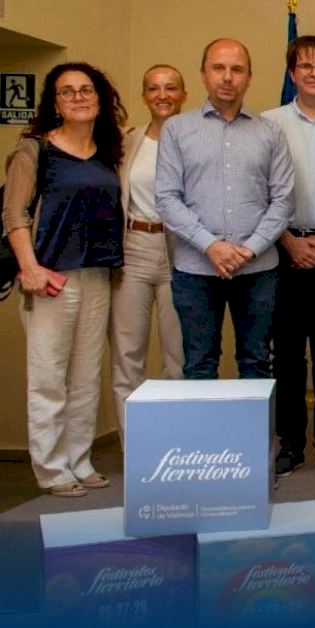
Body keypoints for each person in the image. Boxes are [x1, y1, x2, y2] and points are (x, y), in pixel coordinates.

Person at [3, 62, 126, 497]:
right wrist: (30, 268)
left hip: (98, 274)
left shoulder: (107, 152)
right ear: (54, 103)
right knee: (49, 379)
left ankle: (79, 459)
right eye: (67, 91)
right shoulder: (35, 150)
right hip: (52, 279)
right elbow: (14, 213)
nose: (78, 97)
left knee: (86, 378)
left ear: (100, 98)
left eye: (86, 89)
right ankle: (52, 469)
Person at [157, 38, 294, 380]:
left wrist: (248, 249)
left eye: (237, 69)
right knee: (199, 365)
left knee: (257, 362)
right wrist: (211, 245)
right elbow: (167, 198)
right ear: (203, 74)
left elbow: (283, 201)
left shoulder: (270, 133)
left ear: (249, 77)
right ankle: (204, 423)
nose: (227, 77)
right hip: (195, 269)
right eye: (218, 68)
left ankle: (255, 423)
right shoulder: (176, 129)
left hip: (259, 269)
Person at [261, 35, 315, 478]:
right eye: (305, 66)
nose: (314, 72)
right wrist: (287, 239)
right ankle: (290, 443)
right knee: (288, 356)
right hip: (284, 253)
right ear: (292, 73)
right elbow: (257, 192)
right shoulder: (268, 123)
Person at [110, 64, 186, 440]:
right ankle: (134, 447)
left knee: (179, 357)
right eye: (154, 88)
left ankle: (175, 445)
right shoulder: (126, 142)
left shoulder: (194, 140)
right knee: (128, 355)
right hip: (134, 248)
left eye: (171, 88)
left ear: (184, 94)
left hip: (181, 252)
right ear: (144, 96)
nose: (162, 95)